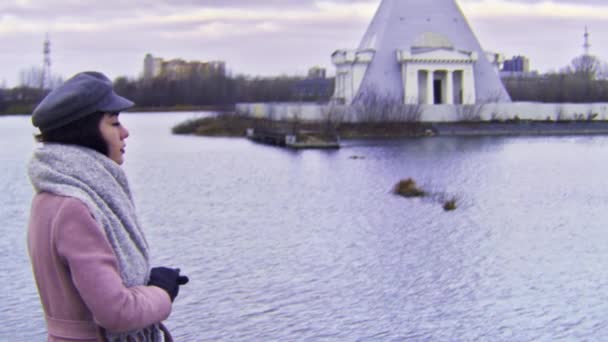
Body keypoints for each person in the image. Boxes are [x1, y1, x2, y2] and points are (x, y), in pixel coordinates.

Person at [26, 71, 189, 341]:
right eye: (114, 123)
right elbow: (116, 312)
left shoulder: (47, 197)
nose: (125, 133)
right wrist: (162, 291)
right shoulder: (75, 208)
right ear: (86, 132)